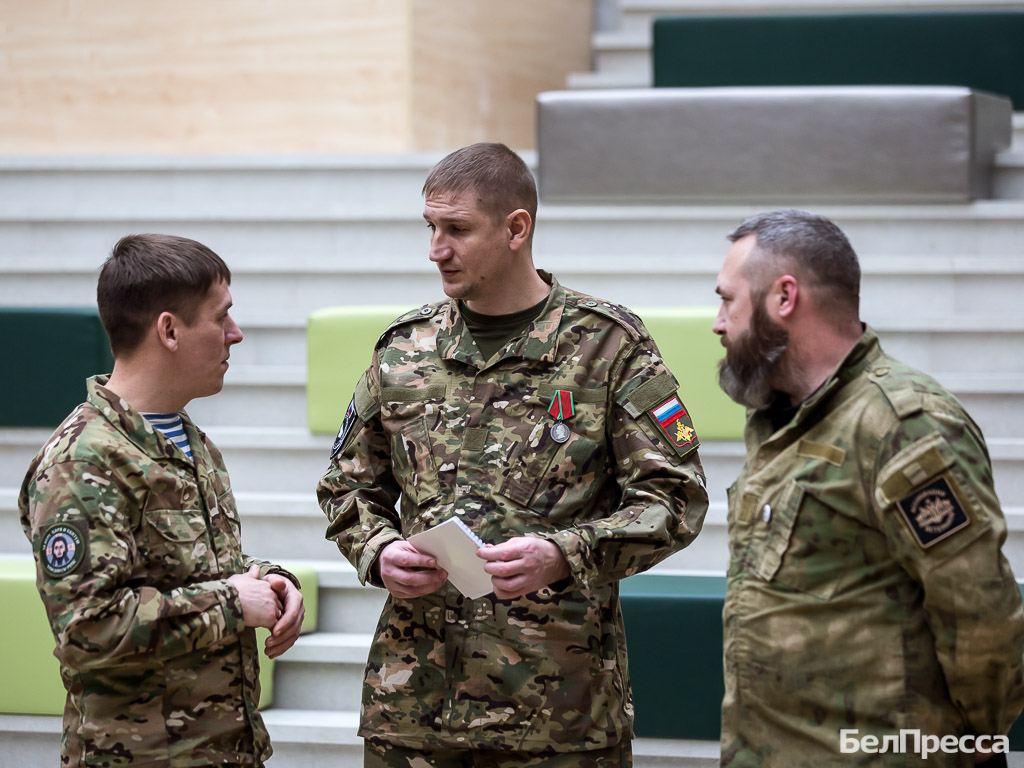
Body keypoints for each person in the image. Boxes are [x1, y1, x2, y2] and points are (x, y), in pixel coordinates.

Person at [317, 142, 708, 767]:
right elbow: (346, 486)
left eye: (457, 230)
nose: (435, 250)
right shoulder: (404, 347)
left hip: (558, 716)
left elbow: (674, 498)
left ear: (516, 229)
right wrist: (378, 550)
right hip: (416, 710)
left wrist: (564, 554)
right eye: (430, 228)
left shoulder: (608, 346)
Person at [713, 209, 1024, 767]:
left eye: (727, 299)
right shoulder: (779, 418)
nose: (717, 322)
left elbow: (978, 611)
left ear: (784, 297)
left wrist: (974, 743)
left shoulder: (901, 423)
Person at [19, 233, 304, 767]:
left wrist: (264, 578)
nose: (236, 335)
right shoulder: (84, 461)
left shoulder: (187, 439)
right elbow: (90, 627)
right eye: (221, 318)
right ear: (169, 330)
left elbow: (195, 566)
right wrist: (233, 603)